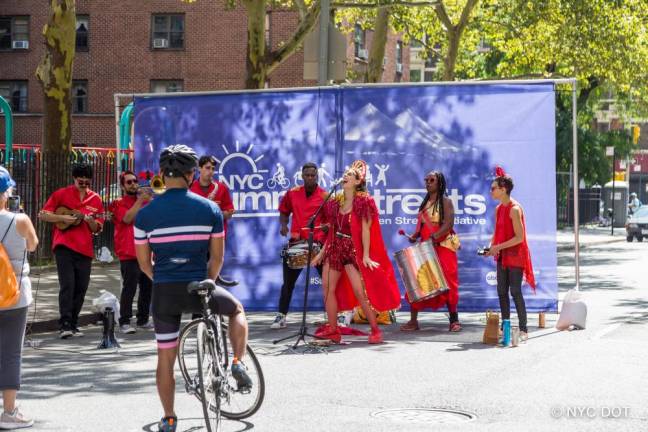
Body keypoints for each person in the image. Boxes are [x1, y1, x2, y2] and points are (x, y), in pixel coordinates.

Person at [134, 145, 252, 432]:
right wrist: (209, 281)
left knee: (165, 356)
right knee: (236, 309)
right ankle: (237, 361)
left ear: (162, 174)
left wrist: (160, 278)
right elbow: (219, 257)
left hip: (164, 291)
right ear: (191, 174)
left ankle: (170, 417)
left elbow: (143, 264)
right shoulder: (209, 209)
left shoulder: (145, 215)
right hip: (199, 287)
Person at [312, 160, 401, 344]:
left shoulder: (364, 202)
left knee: (359, 293)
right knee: (328, 288)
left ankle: (375, 330)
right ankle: (333, 329)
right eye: (345, 174)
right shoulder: (335, 202)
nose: (345, 176)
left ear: (358, 181)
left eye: (349, 175)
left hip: (352, 249)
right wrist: (321, 254)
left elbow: (366, 230)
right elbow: (332, 231)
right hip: (335, 248)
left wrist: (366, 255)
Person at [39, 163, 104, 339]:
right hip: (64, 246)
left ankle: (74, 323)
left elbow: (97, 228)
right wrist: (63, 217)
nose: (83, 183)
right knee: (68, 285)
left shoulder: (96, 199)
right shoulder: (61, 194)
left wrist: (89, 220)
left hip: (85, 249)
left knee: (81, 288)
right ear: (74, 178)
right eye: (80, 180)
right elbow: (43, 214)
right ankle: (65, 324)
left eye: (86, 181)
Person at [0, 167, 38, 429]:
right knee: (11, 352)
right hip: (13, 293)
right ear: (6, 193)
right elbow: (33, 245)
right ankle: (9, 412)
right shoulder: (19, 220)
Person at [400, 171, 462, 332]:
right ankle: (413, 321)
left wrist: (433, 238)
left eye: (431, 180)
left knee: (448, 283)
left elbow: (448, 225)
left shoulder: (446, 202)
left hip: (443, 247)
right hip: (426, 248)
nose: (428, 182)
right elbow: (421, 228)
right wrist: (415, 236)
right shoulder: (424, 204)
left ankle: (454, 321)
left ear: (439, 183)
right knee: (417, 282)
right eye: (426, 180)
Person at [271, 162, 327, 329]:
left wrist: (326, 227)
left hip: (317, 246)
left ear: (317, 176)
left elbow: (331, 219)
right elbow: (284, 211)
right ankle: (281, 316)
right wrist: (283, 225)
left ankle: (336, 315)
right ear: (302, 176)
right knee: (288, 283)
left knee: (329, 282)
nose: (310, 178)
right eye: (307, 175)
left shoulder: (324, 196)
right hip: (297, 244)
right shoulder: (293, 193)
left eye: (313, 175)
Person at [486, 166, 536, 342]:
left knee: (515, 291)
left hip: (515, 255)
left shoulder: (515, 209)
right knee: (501, 291)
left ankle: (523, 329)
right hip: (502, 255)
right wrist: (490, 247)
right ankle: (505, 326)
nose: (491, 191)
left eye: (493, 188)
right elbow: (497, 232)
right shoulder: (499, 209)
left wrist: (498, 247)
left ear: (503, 189)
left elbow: (519, 238)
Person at [110, 170, 153, 334]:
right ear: (122, 186)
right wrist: (140, 200)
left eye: (135, 181)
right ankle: (124, 321)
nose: (134, 184)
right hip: (128, 252)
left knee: (147, 287)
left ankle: (143, 319)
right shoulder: (118, 203)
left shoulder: (144, 201)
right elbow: (127, 218)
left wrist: (150, 201)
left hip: (146, 250)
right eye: (129, 182)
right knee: (130, 287)